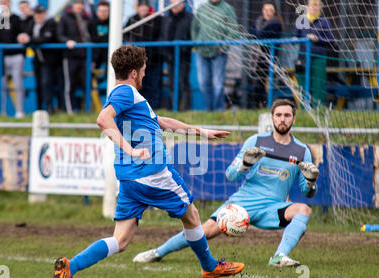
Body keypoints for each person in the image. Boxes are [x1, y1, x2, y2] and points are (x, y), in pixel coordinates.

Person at [49, 45, 245, 278]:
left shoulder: (129, 97)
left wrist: (202, 132)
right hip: (152, 172)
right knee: (192, 214)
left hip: (130, 179)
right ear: (133, 72)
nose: (145, 74)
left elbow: (162, 122)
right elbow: (102, 120)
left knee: (120, 240)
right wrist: (130, 149)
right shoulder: (126, 93)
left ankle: (69, 267)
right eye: (143, 70)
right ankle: (209, 267)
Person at [133, 98, 320, 267]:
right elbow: (231, 175)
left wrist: (311, 182)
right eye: (278, 115)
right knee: (203, 231)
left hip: (274, 207)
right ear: (272, 117)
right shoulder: (255, 141)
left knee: (304, 210)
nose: (282, 119)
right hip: (242, 203)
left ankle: (279, 256)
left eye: (287, 115)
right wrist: (245, 164)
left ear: (293, 119)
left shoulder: (302, 151)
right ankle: (158, 252)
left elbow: (307, 192)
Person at [191, 0, 239, 111]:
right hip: (202, 51)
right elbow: (194, 27)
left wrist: (224, 46)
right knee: (203, 82)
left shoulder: (228, 9)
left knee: (218, 83)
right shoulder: (202, 8)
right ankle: (209, 109)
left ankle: (218, 109)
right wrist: (196, 44)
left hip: (219, 53)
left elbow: (233, 29)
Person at [293, 0, 334, 108]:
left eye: (317, 5)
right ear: (307, 6)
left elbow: (331, 40)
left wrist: (318, 39)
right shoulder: (301, 20)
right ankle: (304, 109)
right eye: (312, 5)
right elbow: (295, 37)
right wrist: (295, 39)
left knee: (317, 85)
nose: (314, 7)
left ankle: (317, 109)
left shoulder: (324, 22)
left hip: (318, 58)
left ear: (320, 7)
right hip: (302, 58)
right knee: (302, 84)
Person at [124, 0, 163, 110]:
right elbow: (124, 35)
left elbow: (161, 36)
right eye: (141, 7)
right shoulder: (132, 19)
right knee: (139, 84)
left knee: (153, 84)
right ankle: (140, 108)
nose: (143, 9)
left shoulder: (156, 19)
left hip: (153, 59)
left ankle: (154, 108)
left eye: (145, 7)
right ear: (138, 8)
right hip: (137, 61)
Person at [21, 4, 60, 114]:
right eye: (36, 13)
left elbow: (46, 38)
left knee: (47, 83)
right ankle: (39, 110)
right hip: (38, 59)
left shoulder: (51, 23)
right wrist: (22, 37)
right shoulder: (32, 23)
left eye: (40, 13)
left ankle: (49, 109)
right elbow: (27, 35)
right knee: (38, 84)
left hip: (50, 60)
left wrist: (29, 39)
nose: (38, 16)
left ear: (44, 14)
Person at [0, 0, 26, 118]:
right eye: (2, 2)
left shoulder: (17, 19)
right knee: (2, 86)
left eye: (6, 2)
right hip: (3, 57)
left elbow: (23, 35)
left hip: (16, 55)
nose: (4, 5)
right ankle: (2, 112)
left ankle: (20, 111)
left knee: (18, 84)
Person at [57, 0, 91, 114]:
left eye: (81, 4)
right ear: (73, 5)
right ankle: (69, 111)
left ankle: (87, 110)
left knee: (86, 84)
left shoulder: (87, 17)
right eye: (77, 4)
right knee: (69, 85)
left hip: (85, 55)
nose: (79, 6)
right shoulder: (65, 18)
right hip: (70, 56)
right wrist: (67, 41)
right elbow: (59, 35)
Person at [160, 0, 193, 111]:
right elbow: (162, 36)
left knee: (183, 83)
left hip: (183, 57)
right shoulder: (166, 18)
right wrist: (166, 53)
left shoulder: (189, 17)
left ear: (183, 4)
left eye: (177, 3)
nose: (174, 5)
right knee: (172, 84)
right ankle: (175, 109)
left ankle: (186, 109)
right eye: (172, 2)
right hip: (170, 57)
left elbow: (191, 36)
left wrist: (184, 49)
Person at [250, 1, 284, 109]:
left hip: (270, 58)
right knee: (257, 84)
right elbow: (250, 32)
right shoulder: (259, 21)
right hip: (258, 58)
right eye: (266, 10)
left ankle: (265, 106)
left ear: (274, 12)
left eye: (271, 10)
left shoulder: (276, 23)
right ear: (262, 11)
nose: (268, 13)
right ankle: (259, 106)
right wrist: (256, 33)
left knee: (261, 84)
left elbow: (259, 35)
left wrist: (257, 33)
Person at [88, 0, 109, 70]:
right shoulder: (92, 23)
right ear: (97, 12)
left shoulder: (113, 22)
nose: (103, 13)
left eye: (105, 11)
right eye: (101, 11)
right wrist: (106, 37)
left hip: (109, 55)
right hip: (95, 56)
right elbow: (93, 39)